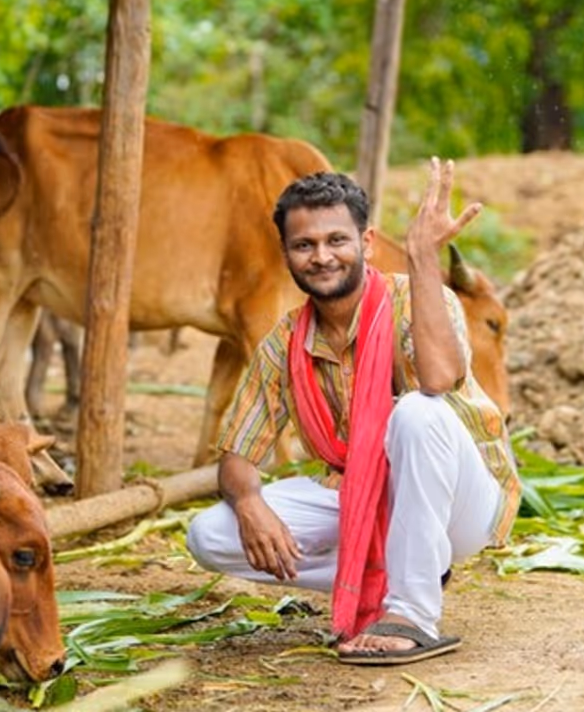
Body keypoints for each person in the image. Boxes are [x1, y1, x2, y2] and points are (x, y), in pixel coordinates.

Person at [186, 159, 520, 665]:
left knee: (417, 412)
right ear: (286, 254)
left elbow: (438, 381)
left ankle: (411, 614)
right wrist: (250, 502)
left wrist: (422, 258)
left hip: (464, 501)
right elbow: (236, 455)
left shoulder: (419, 298)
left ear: (366, 243)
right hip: (355, 491)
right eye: (304, 245)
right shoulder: (285, 343)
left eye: (337, 240)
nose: (322, 257)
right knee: (209, 535)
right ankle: (408, 567)